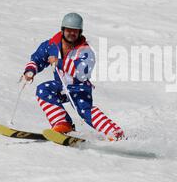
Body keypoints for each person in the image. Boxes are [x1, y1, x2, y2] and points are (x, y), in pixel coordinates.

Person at [22, 12, 125, 141]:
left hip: (79, 87)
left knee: (84, 111)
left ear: (80, 32)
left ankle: (115, 133)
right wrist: (30, 70)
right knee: (43, 90)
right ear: (63, 30)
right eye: (69, 30)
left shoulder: (85, 51)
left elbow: (81, 72)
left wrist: (59, 62)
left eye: (75, 31)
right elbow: (38, 58)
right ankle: (62, 123)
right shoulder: (52, 45)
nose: (72, 33)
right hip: (61, 86)